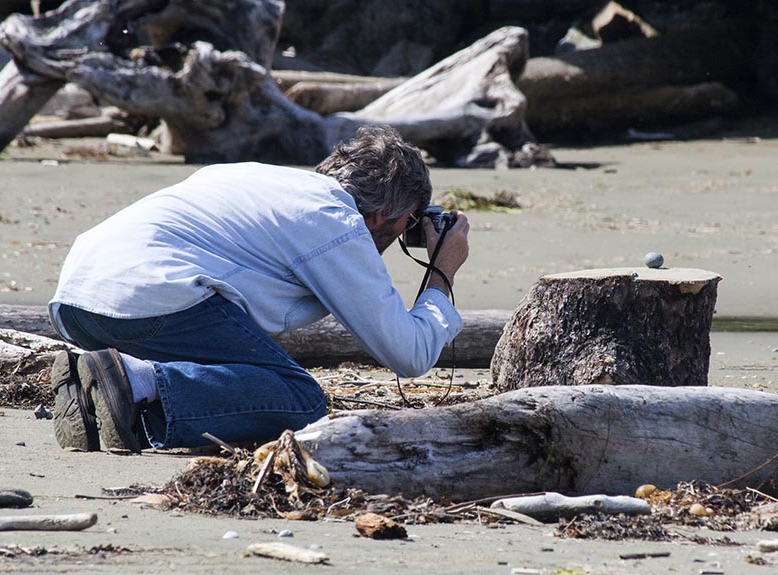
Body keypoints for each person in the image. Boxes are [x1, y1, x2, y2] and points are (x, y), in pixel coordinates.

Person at [49, 125, 470, 453]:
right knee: (298, 399)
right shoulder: (335, 223)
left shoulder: (257, 179)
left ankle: (101, 402)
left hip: (75, 301)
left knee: (250, 375)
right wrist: (443, 269)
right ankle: (138, 384)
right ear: (381, 215)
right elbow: (409, 354)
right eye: (409, 223)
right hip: (152, 294)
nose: (404, 236)